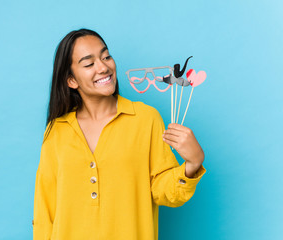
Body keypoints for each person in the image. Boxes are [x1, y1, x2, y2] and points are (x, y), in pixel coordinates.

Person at [33, 29, 206, 240]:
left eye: (106, 57)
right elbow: (44, 210)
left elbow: (165, 192)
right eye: (89, 64)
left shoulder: (145, 118)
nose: (104, 67)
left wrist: (192, 164)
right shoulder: (57, 130)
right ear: (71, 81)